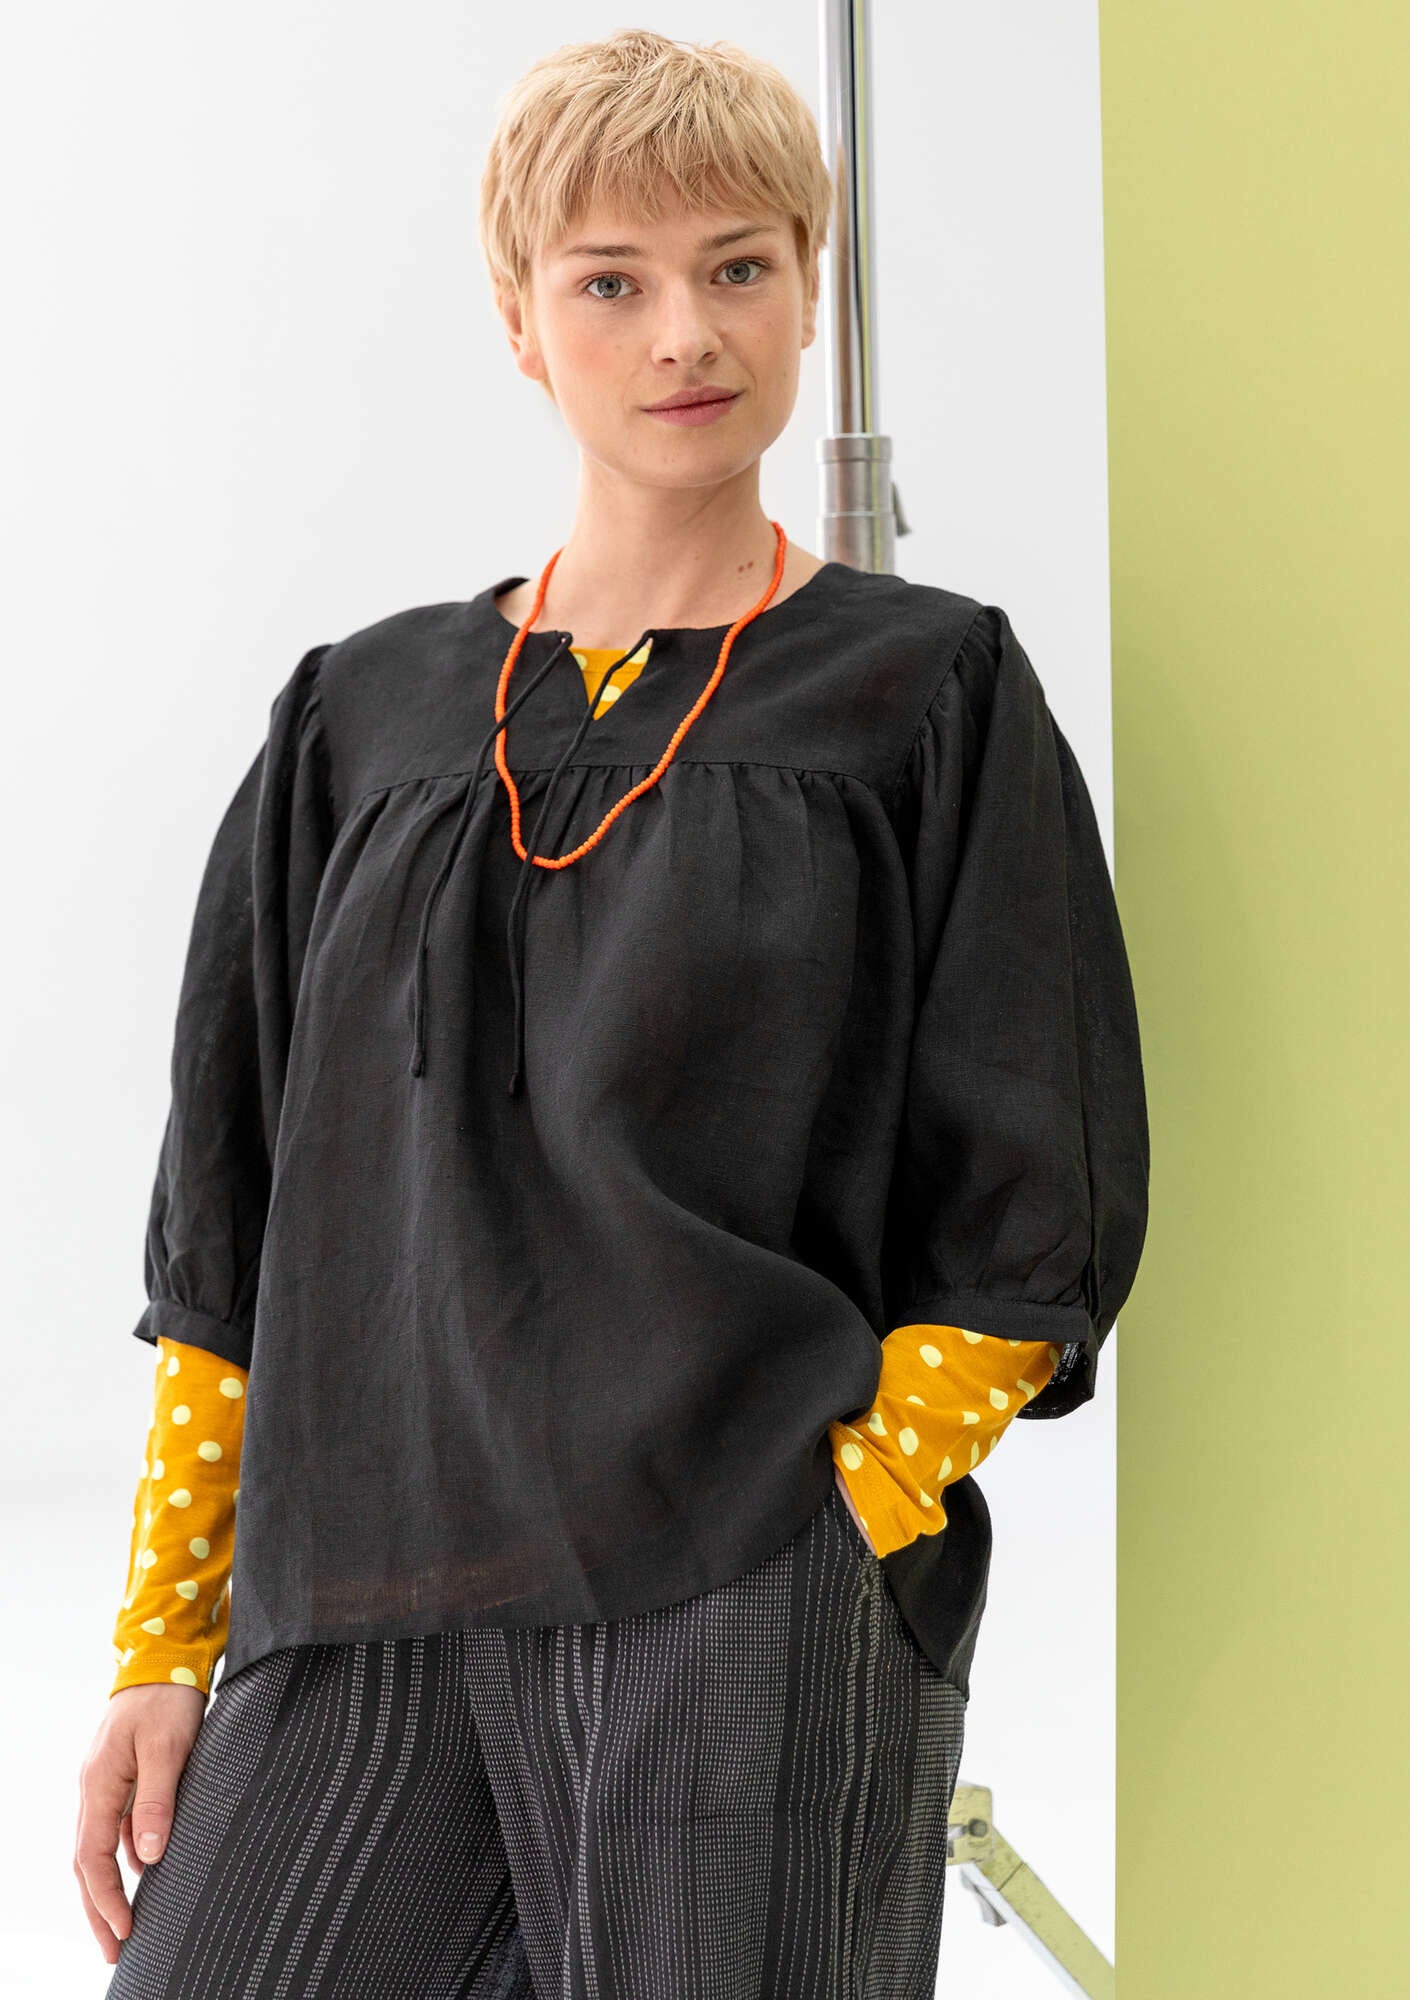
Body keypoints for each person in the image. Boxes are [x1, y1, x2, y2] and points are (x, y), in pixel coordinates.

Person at [74, 28, 1149, 1997]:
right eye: (610, 281)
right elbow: (225, 1227)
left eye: (740, 266)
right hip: (360, 1585)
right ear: (518, 322)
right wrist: (165, 1636)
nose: (684, 333)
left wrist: (852, 1499)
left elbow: (1034, 1184)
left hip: (738, 1575)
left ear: (811, 288)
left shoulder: (924, 696)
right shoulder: (359, 715)